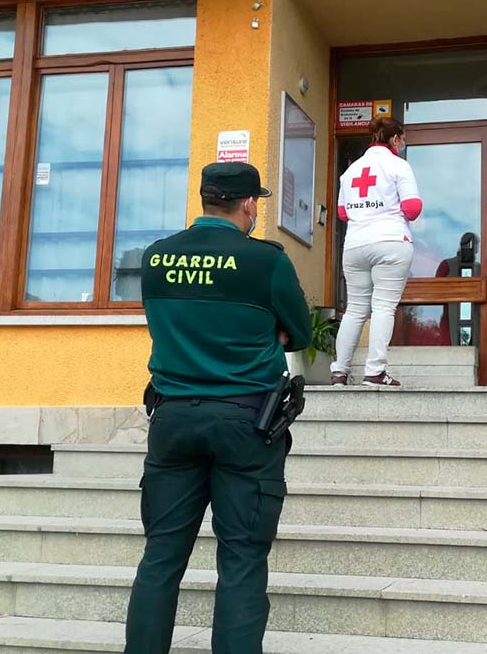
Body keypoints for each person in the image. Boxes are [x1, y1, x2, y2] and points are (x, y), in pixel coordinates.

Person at [125, 162, 311, 654]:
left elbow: (169, 322)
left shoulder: (156, 257)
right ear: (248, 204)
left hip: (172, 419)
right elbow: (302, 332)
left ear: (206, 198)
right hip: (247, 424)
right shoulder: (265, 261)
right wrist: (269, 331)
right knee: (242, 561)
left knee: (160, 558)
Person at [330, 117, 423, 386]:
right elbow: (413, 208)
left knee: (355, 310)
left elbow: (342, 213)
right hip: (390, 241)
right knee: (383, 306)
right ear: (394, 139)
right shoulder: (398, 165)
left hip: (355, 244)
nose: (402, 144)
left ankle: (339, 371)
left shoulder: (350, 171)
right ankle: (375, 371)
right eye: (402, 140)